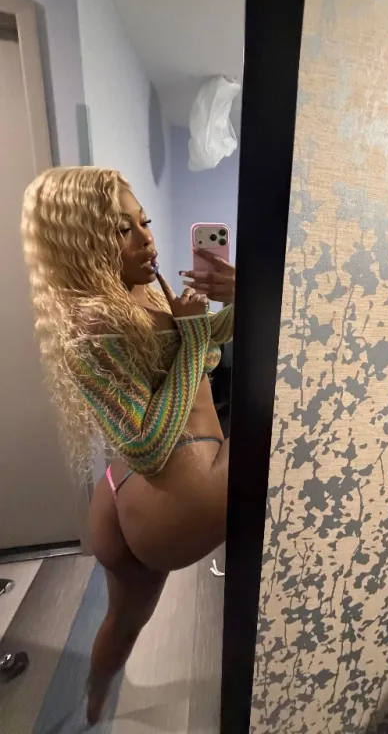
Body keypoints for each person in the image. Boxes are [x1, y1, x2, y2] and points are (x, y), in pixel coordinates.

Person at [21, 166, 236, 724]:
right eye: (123, 229)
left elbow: (201, 345)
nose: (146, 238)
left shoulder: (134, 292)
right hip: (180, 485)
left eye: (144, 221)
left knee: (123, 621)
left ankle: (94, 705)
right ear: (79, 242)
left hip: (124, 498)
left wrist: (232, 302)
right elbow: (146, 444)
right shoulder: (90, 325)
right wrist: (196, 334)